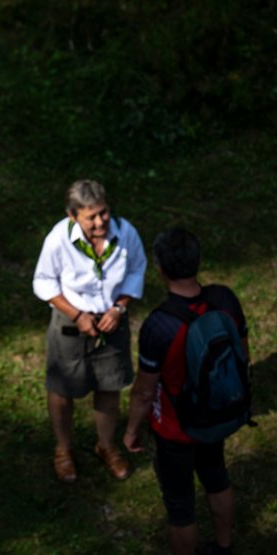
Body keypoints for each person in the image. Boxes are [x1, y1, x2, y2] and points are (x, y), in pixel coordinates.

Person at [124, 228, 247, 555]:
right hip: (216, 415)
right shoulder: (225, 299)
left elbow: (144, 393)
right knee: (217, 478)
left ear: (161, 269)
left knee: (180, 508)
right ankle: (224, 547)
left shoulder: (160, 325)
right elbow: (242, 354)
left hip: (176, 431)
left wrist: (132, 429)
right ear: (197, 261)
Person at [33, 179, 147, 483]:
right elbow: (44, 282)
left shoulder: (126, 233)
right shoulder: (58, 239)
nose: (100, 222)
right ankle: (63, 450)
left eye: (103, 213)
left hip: (111, 321)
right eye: (91, 217)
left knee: (109, 386)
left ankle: (107, 446)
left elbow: (136, 269)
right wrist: (77, 314)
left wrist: (119, 308)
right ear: (73, 216)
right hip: (71, 323)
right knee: (61, 390)